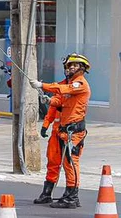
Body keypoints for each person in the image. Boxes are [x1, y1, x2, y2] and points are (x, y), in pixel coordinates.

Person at [29, 53, 91, 209]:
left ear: (82, 68)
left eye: (74, 65)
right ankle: (47, 193)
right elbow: (60, 100)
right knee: (54, 161)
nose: (70, 68)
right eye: (69, 65)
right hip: (62, 131)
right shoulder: (70, 86)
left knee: (70, 163)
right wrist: (50, 101)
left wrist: (42, 85)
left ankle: (72, 197)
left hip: (73, 131)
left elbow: (61, 88)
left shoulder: (80, 84)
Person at [34, 93, 65, 204]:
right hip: (56, 135)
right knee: (52, 163)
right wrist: (45, 126)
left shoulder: (75, 92)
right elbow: (51, 112)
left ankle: (72, 194)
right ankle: (47, 193)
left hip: (70, 134)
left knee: (70, 165)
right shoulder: (59, 94)